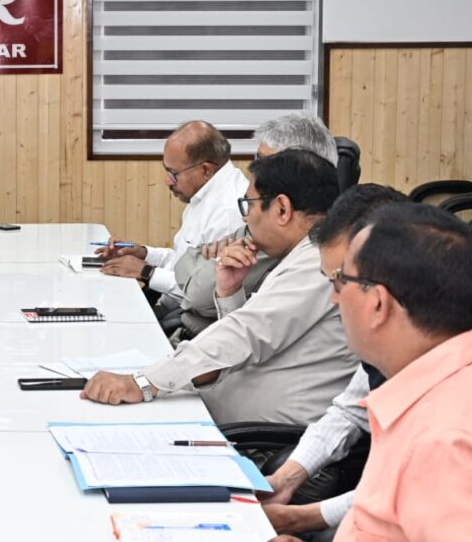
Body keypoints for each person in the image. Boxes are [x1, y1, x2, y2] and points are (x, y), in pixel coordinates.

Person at [83, 150, 357, 426]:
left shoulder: (317, 262)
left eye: (248, 205)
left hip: (260, 437)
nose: (245, 219)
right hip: (224, 415)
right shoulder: (303, 253)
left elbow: (246, 334)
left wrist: (143, 383)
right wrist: (230, 292)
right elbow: (251, 337)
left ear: (282, 209)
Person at [276, 203, 472, 542]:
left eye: (340, 282)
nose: (334, 299)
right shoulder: (430, 387)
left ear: (378, 303)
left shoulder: (449, 444)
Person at [254, 184, 407, 538]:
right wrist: (286, 479)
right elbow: (351, 410)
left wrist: (300, 519)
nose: (335, 299)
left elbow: (410, 492)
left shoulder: (454, 387)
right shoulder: (387, 343)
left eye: (339, 282)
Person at [171, 113, 339, 337]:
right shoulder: (269, 226)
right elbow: (186, 261)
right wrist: (227, 290)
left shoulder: (299, 252)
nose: (256, 170)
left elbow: (197, 296)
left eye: (266, 163)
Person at [96, 120, 247, 309]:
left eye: (173, 173)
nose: (168, 181)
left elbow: (204, 295)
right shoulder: (205, 193)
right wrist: (143, 253)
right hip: (170, 307)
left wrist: (146, 272)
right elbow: (181, 262)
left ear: (206, 170)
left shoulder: (228, 212)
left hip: (186, 318)